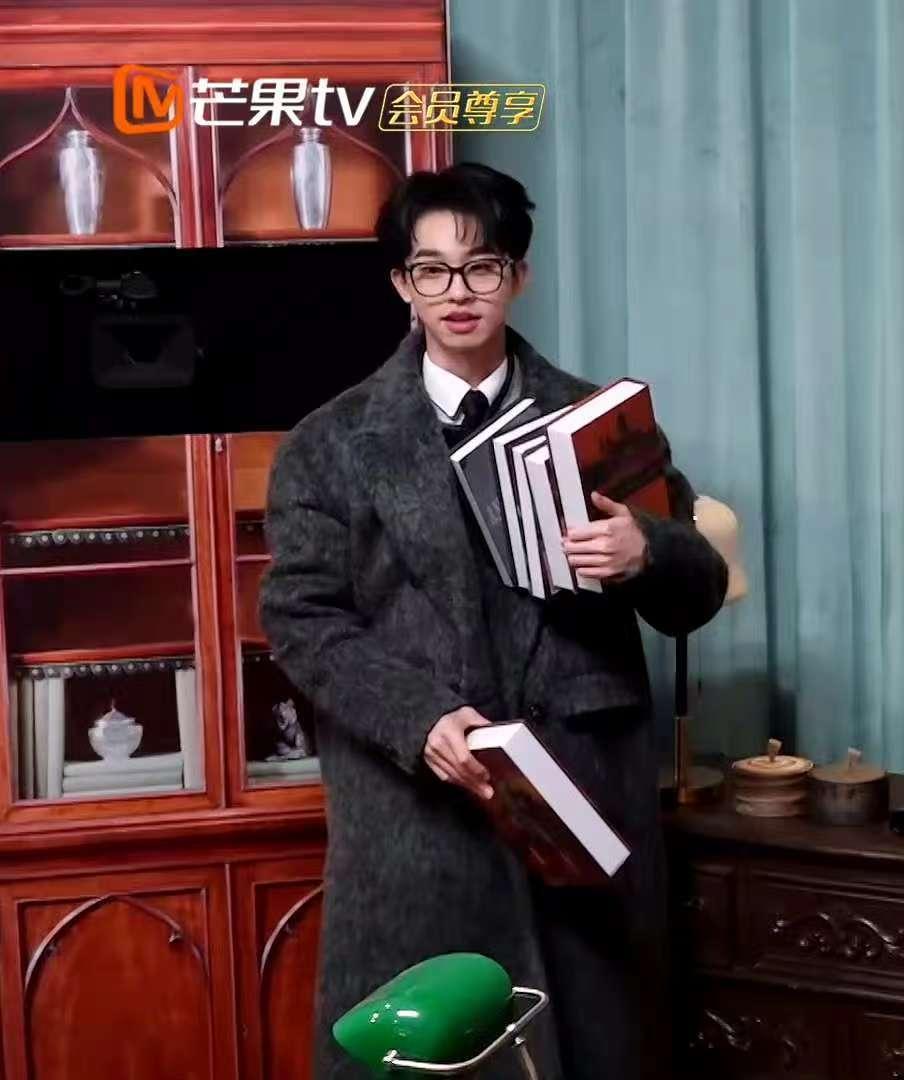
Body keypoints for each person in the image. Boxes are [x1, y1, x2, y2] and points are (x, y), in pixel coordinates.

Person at [259, 162, 728, 1079]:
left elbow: (697, 591)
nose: (458, 292)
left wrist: (646, 550)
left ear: (518, 275)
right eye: (431, 270)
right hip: (416, 811)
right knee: (424, 1057)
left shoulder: (598, 421)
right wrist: (418, 718)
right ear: (402, 284)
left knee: (596, 1051)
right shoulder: (329, 442)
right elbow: (302, 618)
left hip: (581, 801)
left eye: (481, 266)